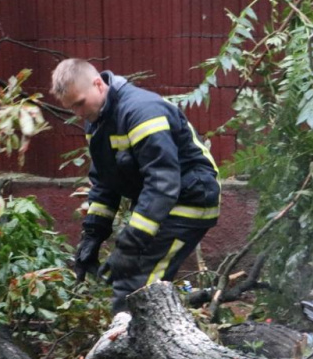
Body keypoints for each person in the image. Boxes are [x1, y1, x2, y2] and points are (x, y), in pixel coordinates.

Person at [50, 59, 220, 314]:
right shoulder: (97, 120)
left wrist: (130, 245)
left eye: (80, 103)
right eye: (71, 107)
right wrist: (92, 236)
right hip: (165, 201)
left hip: (189, 199)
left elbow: (163, 184)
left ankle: (135, 336)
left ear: (98, 84)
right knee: (133, 283)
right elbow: (106, 182)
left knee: (137, 286)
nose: (78, 113)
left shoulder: (142, 112)